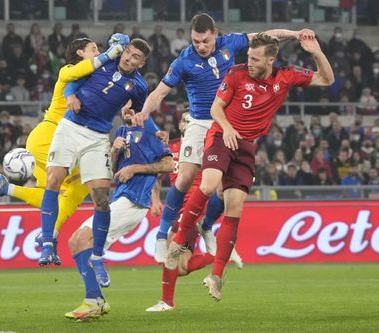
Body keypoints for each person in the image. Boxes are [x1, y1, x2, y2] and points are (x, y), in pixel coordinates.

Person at [165, 33, 334, 301]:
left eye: (255, 59)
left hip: (245, 147)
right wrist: (229, 129)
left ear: (271, 59)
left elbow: (327, 79)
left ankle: (216, 276)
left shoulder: (285, 77)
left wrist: (316, 51)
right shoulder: (235, 73)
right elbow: (215, 109)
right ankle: (179, 241)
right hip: (222, 136)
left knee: (235, 208)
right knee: (208, 185)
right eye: (248, 57)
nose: (249, 62)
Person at [134, 13, 314, 263]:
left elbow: (265, 37)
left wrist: (295, 35)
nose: (200, 46)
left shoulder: (231, 43)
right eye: (196, 41)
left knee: (222, 189)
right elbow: (160, 92)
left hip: (229, 123)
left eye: (205, 41)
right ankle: (162, 236)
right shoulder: (183, 61)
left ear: (214, 34)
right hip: (199, 122)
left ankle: (206, 226)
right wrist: (144, 112)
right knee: (185, 177)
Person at [0, 37, 127, 265]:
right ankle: (49, 235)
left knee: (61, 194)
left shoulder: (91, 76)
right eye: (93, 49)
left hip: (63, 139)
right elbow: (88, 68)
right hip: (51, 136)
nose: (98, 52)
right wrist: (110, 53)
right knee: (83, 184)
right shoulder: (68, 70)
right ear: (80, 52)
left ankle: (10, 192)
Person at [39, 37, 151, 288]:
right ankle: (47, 243)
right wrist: (70, 97)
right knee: (54, 179)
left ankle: (98, 255)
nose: (128, 58)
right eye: (128, 53)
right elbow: (70, 82)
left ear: (141, 63)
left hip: (98, 137)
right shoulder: (104, 62)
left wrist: (129, 115)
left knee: (101, 199)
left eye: (135, 58)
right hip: (70, 127)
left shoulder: (140, 86)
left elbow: (136, 114)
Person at [65, 104, 174, 321]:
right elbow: (114, 171)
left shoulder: (150, 132)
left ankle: (93, 301)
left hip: (133, 203)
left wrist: (136, 171)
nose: (126, 108)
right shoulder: (122, 133)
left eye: (132, 106)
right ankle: (96, 300)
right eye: (124, 104)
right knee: (77, 243)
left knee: (81, 239)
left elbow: (168, 164)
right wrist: (114, 151)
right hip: (121, 199)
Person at [146, 111, 243, 312]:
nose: (186, 123)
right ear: (181, 125)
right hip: (176, 207)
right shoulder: (170, 147)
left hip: (194, 207)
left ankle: (167, 302)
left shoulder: (208, 145)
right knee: (180, 268)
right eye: (183, 120)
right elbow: (157, 176)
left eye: (189, 119)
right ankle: (220, 255)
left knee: (171, 249)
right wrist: (155, 199)